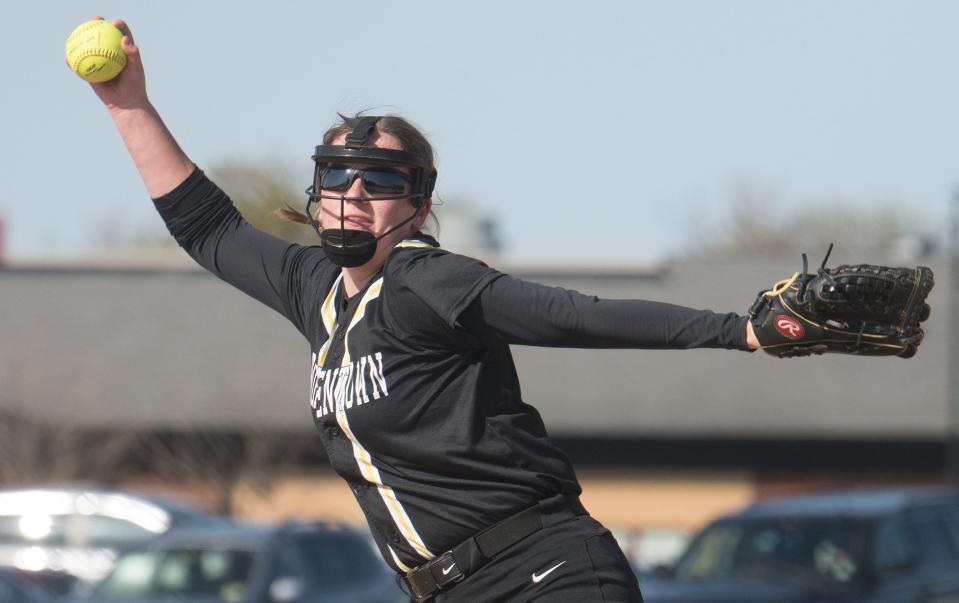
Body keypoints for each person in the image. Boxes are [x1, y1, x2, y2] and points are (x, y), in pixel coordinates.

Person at [79, 18, 760, 602]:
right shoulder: (313, 288)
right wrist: (127, 104)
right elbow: (208, 229)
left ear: (419, 206)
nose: (354, 191)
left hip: (546, 574)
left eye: (379, 179)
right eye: (336, 174)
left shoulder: (426, 282)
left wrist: (739, 331)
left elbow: (574, 314)